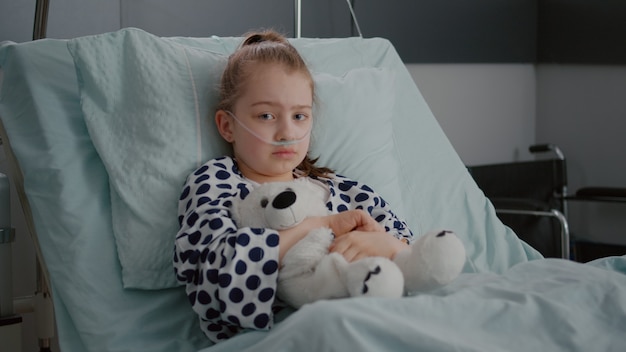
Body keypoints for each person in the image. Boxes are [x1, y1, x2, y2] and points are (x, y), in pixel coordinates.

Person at [173, 30, 413, 343]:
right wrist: (322, 225)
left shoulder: (347, 192)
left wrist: (390, 247)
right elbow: (214, 271)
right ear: (227, 125)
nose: (287, 132)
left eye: (299, 115)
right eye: (266, 115)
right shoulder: (216, 183)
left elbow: (416, 256)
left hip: (382, 319)